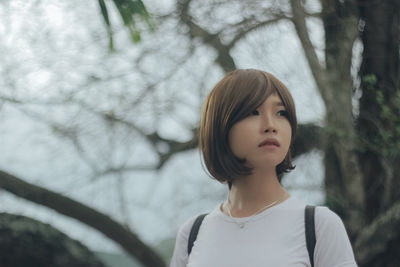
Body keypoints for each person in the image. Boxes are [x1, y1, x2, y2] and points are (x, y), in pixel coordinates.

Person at [170, 69, 358, 267]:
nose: (271, 125)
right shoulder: (192, 234)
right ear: (221, 125)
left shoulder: (318, 226)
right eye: (254, 112)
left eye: (281, 113)